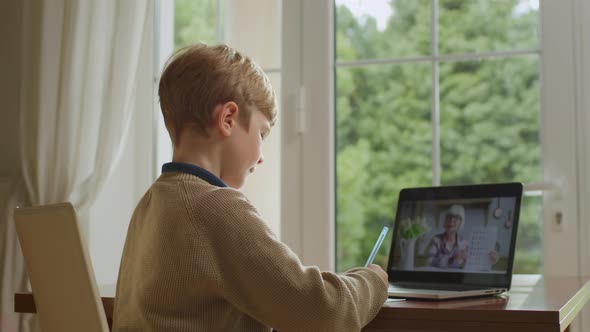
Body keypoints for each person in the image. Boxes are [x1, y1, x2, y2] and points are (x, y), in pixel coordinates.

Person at [112, 44, 388, 332]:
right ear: (228, 119)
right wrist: (373, 281)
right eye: (261, 133)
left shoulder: (149, 205)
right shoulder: (217, 208)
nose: (261, 155)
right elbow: (323, 311)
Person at [427, 204, 500, 269]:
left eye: (456, 217)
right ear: (445, 221)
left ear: (461, 223)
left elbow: (474, 264)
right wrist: (451, 259)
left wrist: (491, 261)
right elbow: (429, 261)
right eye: (449, 217)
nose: (452, 220)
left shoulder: (465, 243)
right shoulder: (436, 239)